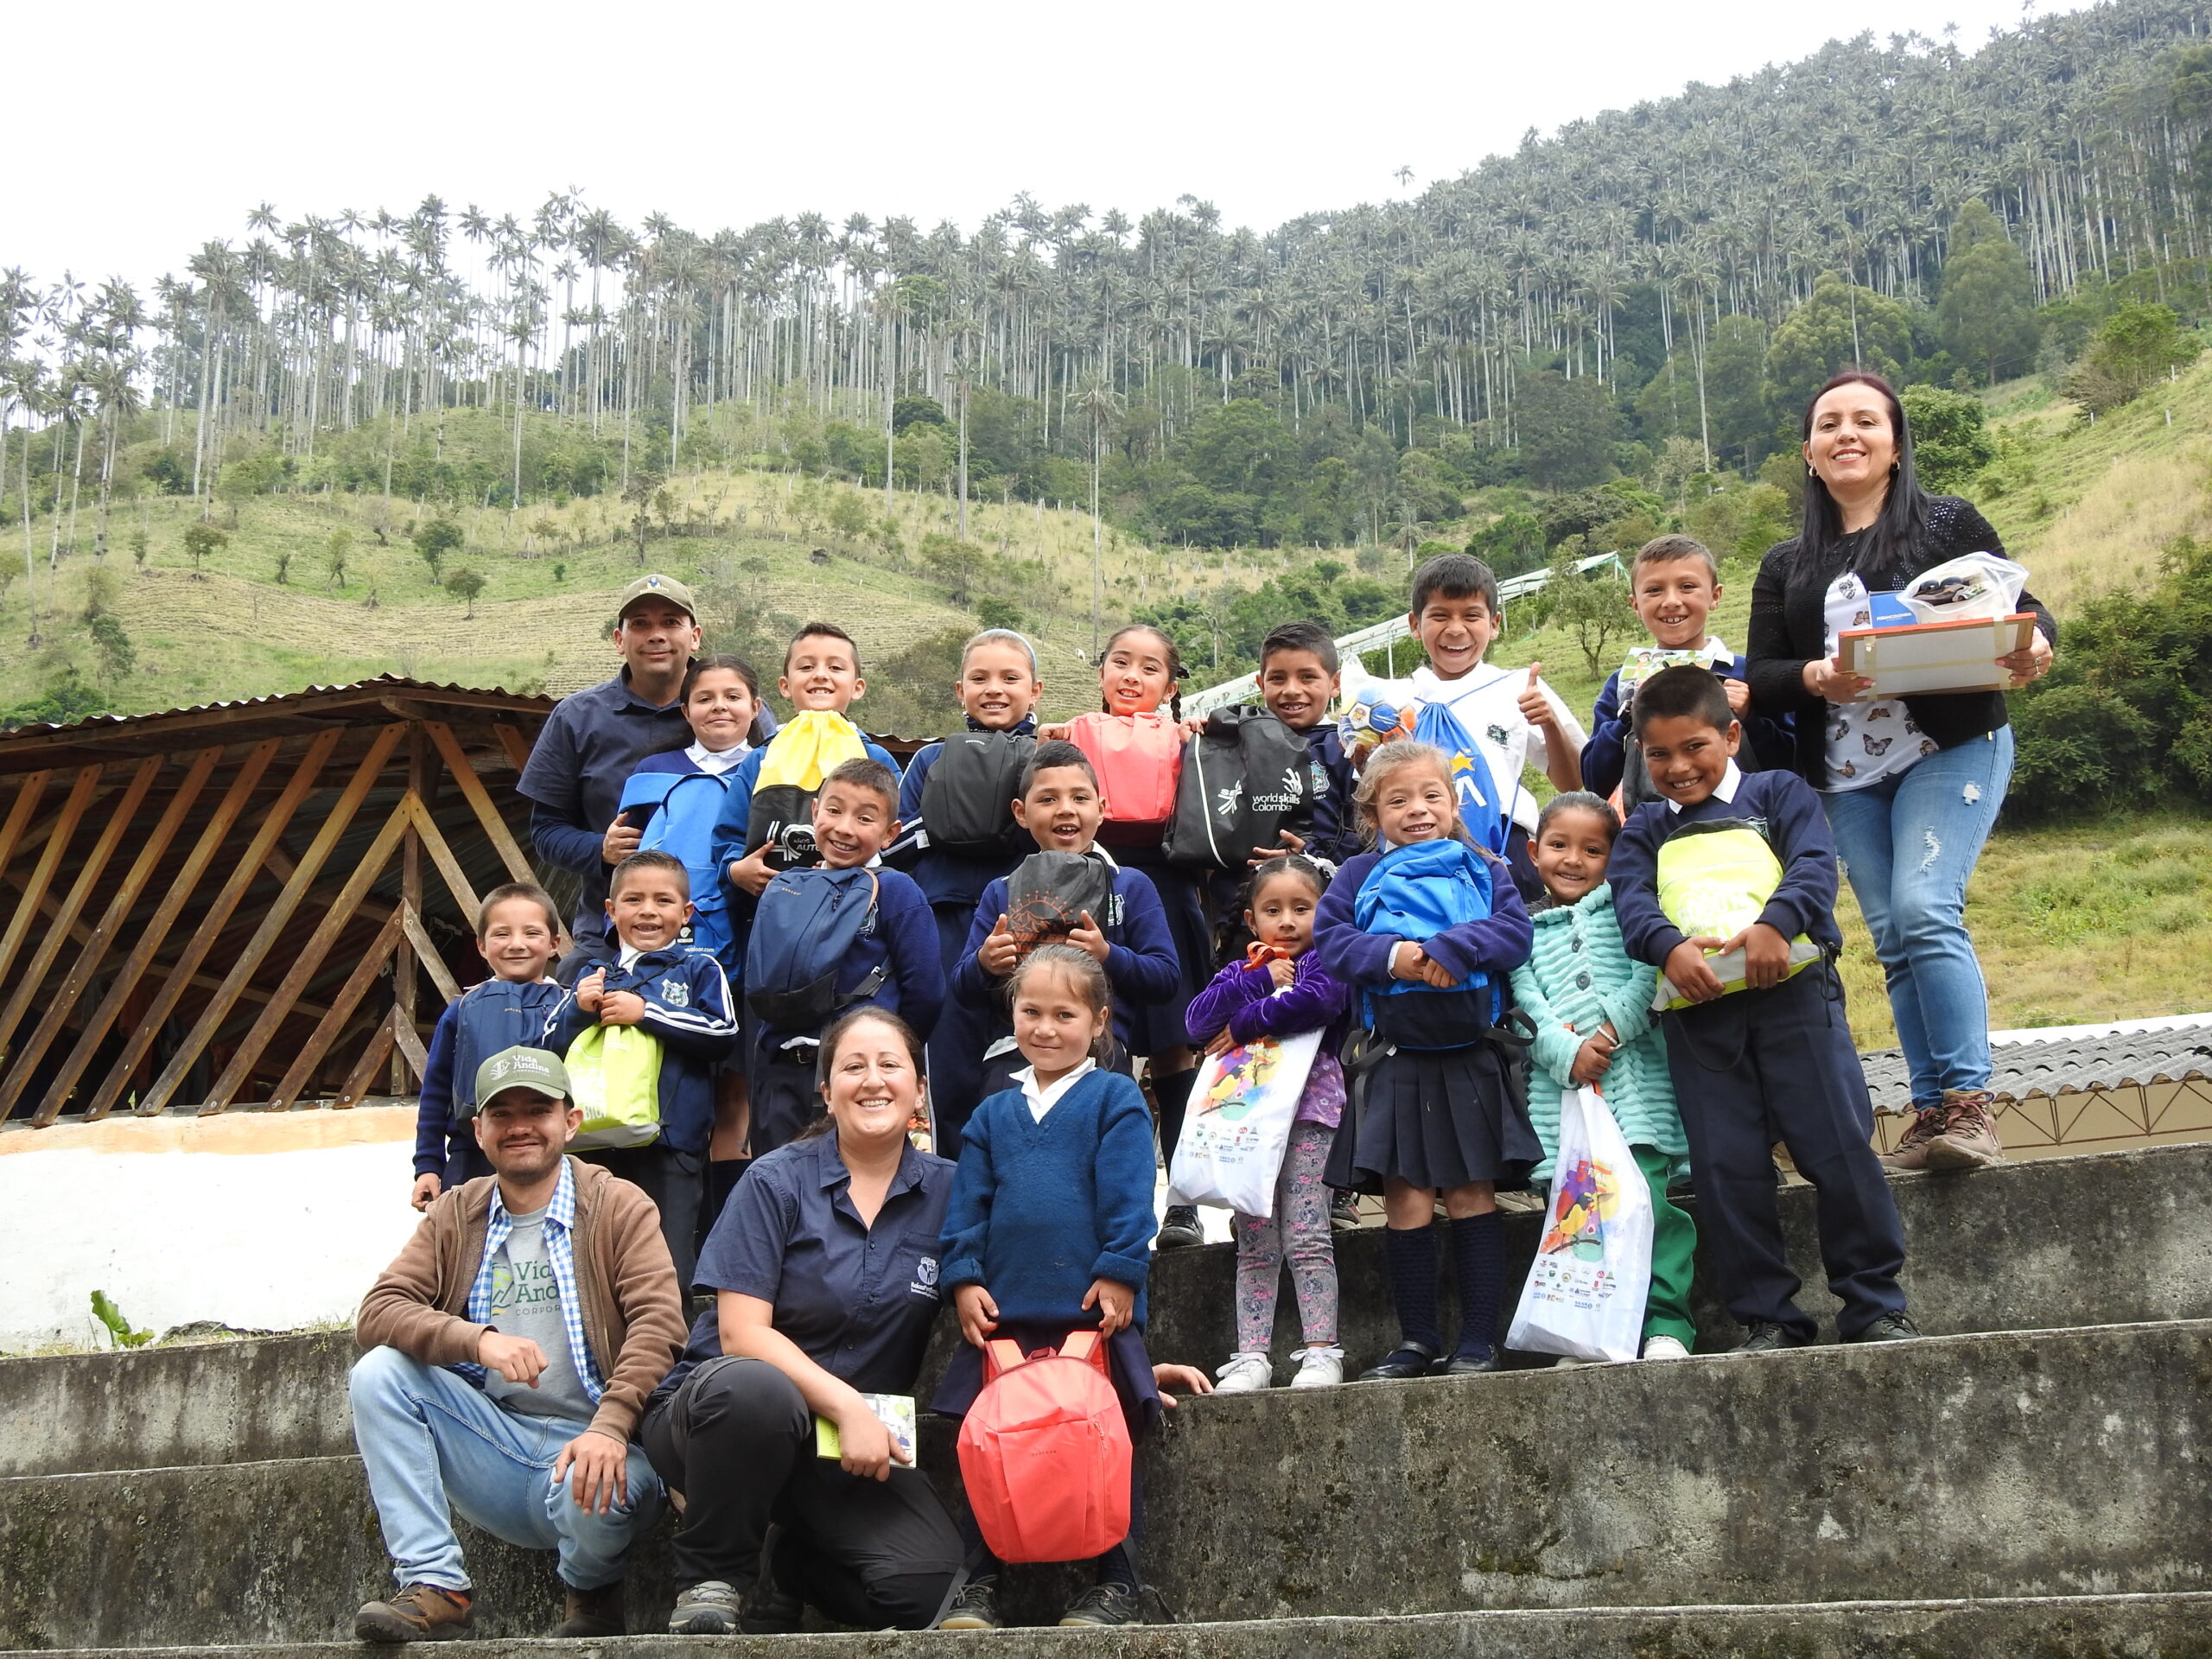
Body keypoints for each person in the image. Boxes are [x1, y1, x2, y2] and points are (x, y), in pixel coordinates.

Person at [1746, 372, 2056, 1172]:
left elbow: (2024, 607)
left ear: (1894, 442)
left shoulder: (1945, 522)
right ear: (1809, 453)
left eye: (1865, 422)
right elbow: (1762, 671)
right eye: (1829, 425)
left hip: (1949, 747)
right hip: (1845, 773)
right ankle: (1929, 1117)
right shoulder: (1786, 563)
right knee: (1890, 937)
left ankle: (1969, 1106)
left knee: (1925, 909)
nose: (1847, 434)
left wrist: (2037, 645)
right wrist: (1815, 677)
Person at [1607, 665, 1918, 1351]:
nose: (1678, 767)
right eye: (1657, 754)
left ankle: (1874, 1305)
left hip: (1796, 1003)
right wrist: (1667, 949)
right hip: (1701, 1015)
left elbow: (1813, 863)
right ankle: (1768, 1317)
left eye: (1695, 747)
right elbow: (1631, 902)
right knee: (1727, 1170)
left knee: (1838, 1150)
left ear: (1732, 734)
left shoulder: (1780, 792)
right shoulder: (1646, 830)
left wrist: (1776, 926)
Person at [640, 1010, 965, 1637]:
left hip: (841, 1449)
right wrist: (847, 1407)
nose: (873, 1081)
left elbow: (1007, 1297)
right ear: (827, 1090)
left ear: (920, 1089)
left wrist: (1116, 1361)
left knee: (928, 1590)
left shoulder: (951, 1193)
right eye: (853, 1067)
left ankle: (793, 1565)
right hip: (720, 1423)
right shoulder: (775, 1180)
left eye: (891, 1065)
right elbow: (741, 1334)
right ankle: (712, 1579)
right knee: (755, 1391)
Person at [350, 1046, 685, 1643]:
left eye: (538, 1108)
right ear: (479, 1131)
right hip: (497, 1450)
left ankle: (593, 1593)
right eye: (502, 1114)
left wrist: (609, 1427)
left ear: (571, 1121)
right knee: (379, 1374)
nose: (521, 1126)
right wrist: (475, 1341)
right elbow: (379, 1311)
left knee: (595, 1492)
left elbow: (659, 1324)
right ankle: (437, 1585)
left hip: (603, 1450)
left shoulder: (617, 1206)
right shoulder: (456, 1214)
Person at [935, 946, 1160, 1630]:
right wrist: (963, 1277)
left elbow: (1130, 1192)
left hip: (1090, 1313)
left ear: (1097, 1022)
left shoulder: (1113, 1097)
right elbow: (966, 1205)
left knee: (1098, 1438)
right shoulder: (993, 1113)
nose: (1045, 1028)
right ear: (1012, 1015)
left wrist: (1122, 1268)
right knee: (995, 1441)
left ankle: (1114, 1582)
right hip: (1005, 1313)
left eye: (1065, 1014)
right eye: (1031, 1011)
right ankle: (981, 1580)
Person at [1312, 740, 1537, 1381]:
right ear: (1370, 813)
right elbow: (1333, 944)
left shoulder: (1484, 865)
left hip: (1470, 1056)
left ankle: (1477, 1340)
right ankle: (1416, 1339)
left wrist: (1449, 948)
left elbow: (1513, 935)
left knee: (1471, 1196)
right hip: (1394, 1059)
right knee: (1407, 1200)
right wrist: (1399, 958)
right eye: (1398, 799)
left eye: (1431, 795)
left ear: (1455, 801)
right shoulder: (1355, 876)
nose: (1417, 809)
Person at [1507, 791, 1696, 1361]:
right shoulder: (1521, 930)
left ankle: (1667, 1325)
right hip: (1563, 1107)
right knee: (1581, 1225)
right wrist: (1567, 1051)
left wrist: (1607, 1034)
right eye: (1559, 846)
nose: (1574, 859)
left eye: (1593, 849)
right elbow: (1523, 1005)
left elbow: (1651, 980)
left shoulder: (1629, 912)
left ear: (1613, 856)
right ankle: (1590, 1329)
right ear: (1534, 852)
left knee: (1653, 1210)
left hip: (1636, 1096)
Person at [1042, 625, 1211, 1249]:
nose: (1132, 676)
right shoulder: (1072, 736)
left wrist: (1197, 746)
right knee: (1092, 1047)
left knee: (1173, 1049)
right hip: (1085, 891)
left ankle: (1186, 1203)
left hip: (1165, 891)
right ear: (1102, 673)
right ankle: (1101, 1209)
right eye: (1120, 663)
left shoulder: (1188, 740)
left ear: (1171, 686)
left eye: (1149, 668)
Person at [518, 575, 774, 971]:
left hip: (736, 929)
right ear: (620, 639)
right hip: (616, 933)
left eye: (671, 622)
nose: (657, 635)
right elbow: (546, 832)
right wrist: (601, 850)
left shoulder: (740, 714)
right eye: (640, 623)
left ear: (695, 636)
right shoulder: (576, 718)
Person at [1184, 855, 1351, 1392]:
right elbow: (1195, 1021)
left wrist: (1244, 1022)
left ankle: (1322, 1350)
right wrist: (1253, 982)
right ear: (1252, 920)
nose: (1287, 922)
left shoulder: (1329, 962)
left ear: (1324, 913)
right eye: (1272, 910)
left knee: (1306, 1232)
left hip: (1308, 1113)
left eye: (1302, 909)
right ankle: (1252, 1354)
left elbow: (1322, 1002)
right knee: (1255, 1236)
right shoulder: (1246, 968)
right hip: (1247, 1121)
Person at [614, 653, 765, 1231]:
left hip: (752, 949)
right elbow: (626, 859)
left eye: (734, 696)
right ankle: (674, 1226)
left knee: (737, 1093)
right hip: (670, 957)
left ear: (756, 707)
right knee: (675, 1082)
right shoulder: (655, 771)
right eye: (705, 698)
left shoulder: (774, 769)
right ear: (686, 709)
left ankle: (724, 1232)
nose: (720, 707)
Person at [544, 851, 741, 1293]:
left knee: (667, 1262)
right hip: (593, 1142)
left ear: (686, 913)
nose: (648, 911)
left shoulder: (698, 968)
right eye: (633, 900)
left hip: (670, 1142)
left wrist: (647, 1012)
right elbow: (546, 1049)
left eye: (663, 901)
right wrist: (578, 1011)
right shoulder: (590, 975)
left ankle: (671, 1358)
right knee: (596, 1260)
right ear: (611, 911)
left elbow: (723, 1032)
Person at [951, 741, 1179, 1112]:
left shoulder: (1129, 885)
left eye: (1079, 798)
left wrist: (1108, 954)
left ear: (1101, 810)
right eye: (1047, 799)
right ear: (1021, 813)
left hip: (1100, 1055)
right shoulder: (1002, 891)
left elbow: (1166, 978)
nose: (1066, 809)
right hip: (1014, 1055)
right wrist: (984, 963)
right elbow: (962, 989)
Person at [888, 628, 1044, 1151]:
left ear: (1036, 689)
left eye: (1009, 677)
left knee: (1032, 1060)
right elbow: (893, 843)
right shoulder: (930, 761)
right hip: (945, 926)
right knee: (951, 1064)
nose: (994, 688)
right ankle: (956, 1201)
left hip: (1032, 925)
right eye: (979, 678)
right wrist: (948, 823)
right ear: (959, 691)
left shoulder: (1049, 758)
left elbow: (1071, 832)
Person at [744, 758, 944, 1157]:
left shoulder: (897, 891)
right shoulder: (789, 887)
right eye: (833, 811)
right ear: (814, 811)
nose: (844, 828)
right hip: (782, 1069)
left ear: (890, 834)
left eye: (865, 818)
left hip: (858, 1078)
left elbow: (926, 992)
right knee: (781, 1181)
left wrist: (886, 1055)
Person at [1402, 552, 1587, 899]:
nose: (1456, 629)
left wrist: (1549, 724)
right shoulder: (1394, 701)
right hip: (1418, 858)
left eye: (1472, 616)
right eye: (1439, 616)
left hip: (1507, 852)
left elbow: (1574, 783)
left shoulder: (1519, 687)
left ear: (1495, 623)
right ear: (1415, 624)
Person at [1581, 536, 1794, 811]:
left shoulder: (1747, 673)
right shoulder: (1623, 683)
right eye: (1654, 590)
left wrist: (1751, 717)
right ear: (1635, 605)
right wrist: (1629, 715)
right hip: (1655, 837)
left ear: (1715, 596)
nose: (1671, 601)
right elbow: (1595, 781)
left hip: (1750, 828)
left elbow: (1793, 764)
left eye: (1687, 587)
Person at [711, 621, 901, 910]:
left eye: (836, 668)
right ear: (785, 686)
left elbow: (896, 834)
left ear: (858, 687)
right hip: (770, 913)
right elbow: (728, 833)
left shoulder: (876, 758)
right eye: (806, 667)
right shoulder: (760, 759)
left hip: (854, 912)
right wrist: (735, 871)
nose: (821, 675)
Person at [410, 884, 567, 1208]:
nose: (517, 944)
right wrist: (428, 1165)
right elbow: (436, 1091)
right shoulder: (462, 1009)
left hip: (552, 1155)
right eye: (502, 934)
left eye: (532, 933)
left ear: (554, 944)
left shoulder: (571, 1006)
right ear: (481, 946)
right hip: (472, 1156)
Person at [1254, 621, 1363, 877]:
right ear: (1261, 684)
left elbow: (1365, 829)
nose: (1292, 690)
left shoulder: (1347, 748)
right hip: (1254, 889)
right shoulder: (1244, 744)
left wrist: (1313, 855)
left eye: (1308, 677)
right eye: (1278, 678)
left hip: (1329, 888)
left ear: (1335, 683)